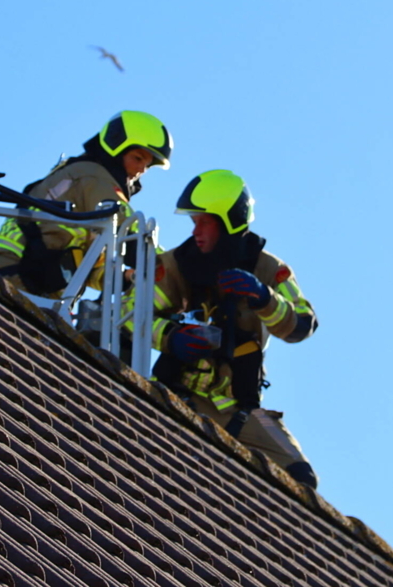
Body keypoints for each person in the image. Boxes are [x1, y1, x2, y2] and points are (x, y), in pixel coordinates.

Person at [127, 169, 319, 489]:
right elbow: (130, 312)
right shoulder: (177, 264)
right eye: (194, 221)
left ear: (230, 220)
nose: (196, 231)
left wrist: (264, 298)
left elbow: (301, 325)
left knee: (301, 481)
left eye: (205, 221)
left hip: (239, 409)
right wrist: (171, 337)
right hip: (179, 394)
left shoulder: (269, 268)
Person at [0, 110, 172, 297]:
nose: (141, 170)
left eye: (147, 165)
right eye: (138, 158)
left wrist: (125, 277)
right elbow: (128, 229)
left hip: (28, 279)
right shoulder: (93, 176)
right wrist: (170, 267)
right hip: (15, 274)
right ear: (115, 147)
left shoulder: (92, 204)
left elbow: (89, 268)